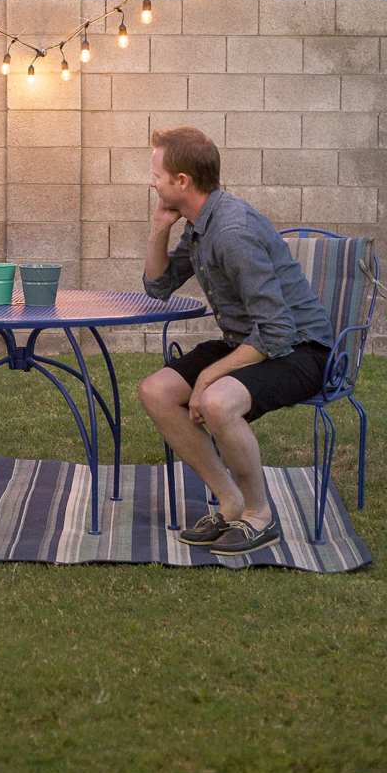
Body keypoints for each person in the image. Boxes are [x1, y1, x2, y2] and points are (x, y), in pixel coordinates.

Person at [138, 127, 333, 556]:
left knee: (217, 400)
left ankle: (260, 517)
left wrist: (210, 374)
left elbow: (279, 330)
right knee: (156, 391)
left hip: (302, 350)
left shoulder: (231, 231)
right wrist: (158, 228)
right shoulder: (199, 222)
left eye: (157, 174)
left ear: (183, 181)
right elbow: (158, 286)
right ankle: (230, 504)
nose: (151, 181)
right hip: (252, 340)